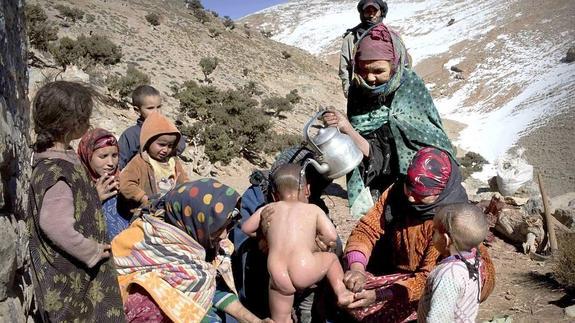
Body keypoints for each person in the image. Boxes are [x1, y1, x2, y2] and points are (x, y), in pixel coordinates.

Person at [342, 147, 495, 322]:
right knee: (344, 284)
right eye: (409, 188)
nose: (411, 198)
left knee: (368, 312)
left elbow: (426, 277)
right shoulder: (397, 192)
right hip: (401, 272)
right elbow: (367, 229)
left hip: (429, 283)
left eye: (421, 194)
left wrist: (381, 295)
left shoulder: (447, 225)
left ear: (440, 193)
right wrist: (357, 268)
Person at [325, 22, 452, 216]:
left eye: (378, 71)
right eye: (362, 69)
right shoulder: (358, 92)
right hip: (380, 186)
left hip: (422, 194)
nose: (370, 78)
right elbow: (371, 152)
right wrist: (345, 127)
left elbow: (430, 143)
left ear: (395, 65)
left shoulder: (410, 88)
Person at [27, 81, 124, 321]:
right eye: (85, 117)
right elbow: (54, 223)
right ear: (69, 124)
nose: (89, 123)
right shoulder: (56, 171)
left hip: (77, 276)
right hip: (71, 280)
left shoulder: (63, 160)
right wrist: (89, 250)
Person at [112, 179, 270, 322]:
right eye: (218, 227)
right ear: (196, 219)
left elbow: (212, 288)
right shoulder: (149, 246)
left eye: (227, 226)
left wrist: (254, 320)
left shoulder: (201, 246)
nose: (224, 235)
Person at [232, 146, 336, 322]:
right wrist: (263, 238)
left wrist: (319, 246)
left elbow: (330, 238)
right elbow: (241, 235)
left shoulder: (313, 204)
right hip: (263, 277)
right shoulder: (258, 197)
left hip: (299, 275)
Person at [417, 203, 489, 322]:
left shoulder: (448, 275)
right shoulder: (474, 261)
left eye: (434, 231)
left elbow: (438, 319)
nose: (432, 234)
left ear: (446, 239)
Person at [119, 111, 189, 212]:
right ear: (148, 141)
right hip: (145, 211)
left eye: (170, 146)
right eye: (161, 144)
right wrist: (143, 198)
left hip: (169, 209)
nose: (165, 150)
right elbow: (125, 184)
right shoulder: (140, 161)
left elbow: (184, 182)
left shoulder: (173, 162)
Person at [78, 128, 130, 240]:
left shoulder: (124, 179)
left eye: (115, 156)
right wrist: (95, 198)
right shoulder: (78, 184)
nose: (111, 163)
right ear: (88, 155)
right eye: (103, 156)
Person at [118, 85, 185, 169]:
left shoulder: (167, 129)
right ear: (137, 110)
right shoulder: (132, 134)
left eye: (159, 107)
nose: (156, 112)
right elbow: (120, 161)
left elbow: (180, 145)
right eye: (150, 108)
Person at [339, 0, 388, 98]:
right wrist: (348, 91)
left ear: (381, 12)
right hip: (360, 91)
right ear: (362, 14)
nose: (371, 15)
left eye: (374, 11)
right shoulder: (351, 38)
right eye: (367, 11)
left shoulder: (390, 36)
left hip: (386, 90)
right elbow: (344, 67)